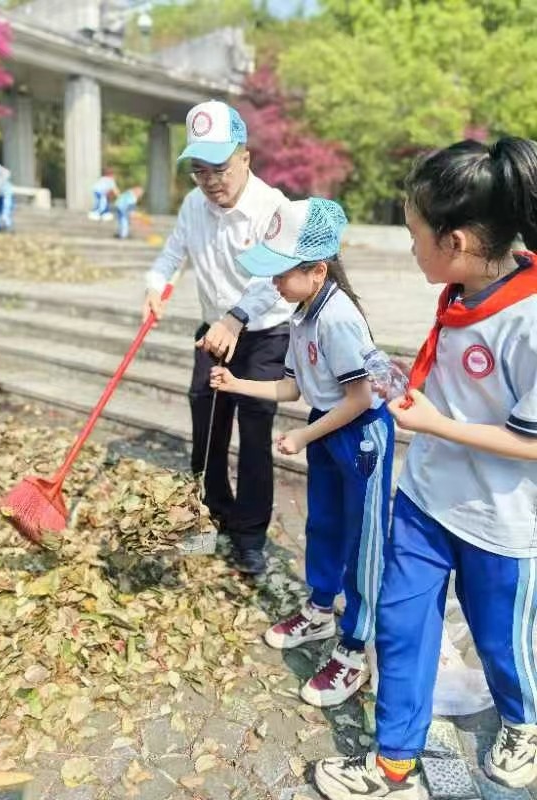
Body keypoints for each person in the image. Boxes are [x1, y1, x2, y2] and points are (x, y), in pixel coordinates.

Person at [314, 137, 537, 800]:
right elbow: (455, 385)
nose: (411, 248)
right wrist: (404, 387)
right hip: (424, 500)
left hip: (499, 521)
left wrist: (435, 423)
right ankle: (394, 766)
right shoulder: (463, 289)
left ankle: (523, 723)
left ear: (457, 241)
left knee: (501, 643)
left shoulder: (528, 321)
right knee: (400, 627)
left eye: (416, 235)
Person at [211, 197, 394, 707]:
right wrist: (236, 383)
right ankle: (319, 609)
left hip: (359, 436)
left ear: (317, 271)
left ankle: (355, 647)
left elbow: (361, 399)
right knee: (324, 526)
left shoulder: (338, 318)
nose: (274, 282)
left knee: (363, 543)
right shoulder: (301, 313)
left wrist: (303, 437)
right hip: (325, 428)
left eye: (282, 272)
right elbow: (290, 388)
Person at [142, 99, 293, 575]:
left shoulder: (272, 207)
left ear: (245, 157)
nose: (210, 181)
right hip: (213, 331)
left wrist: (236, 318)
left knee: (254, 431)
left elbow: (275, 278)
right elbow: (172, 255)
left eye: (220, 168)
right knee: (206, 423)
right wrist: (155, 285)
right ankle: (209, 514)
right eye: (200, 171)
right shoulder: (194, 205)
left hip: (264, 334)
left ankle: (249, 535)